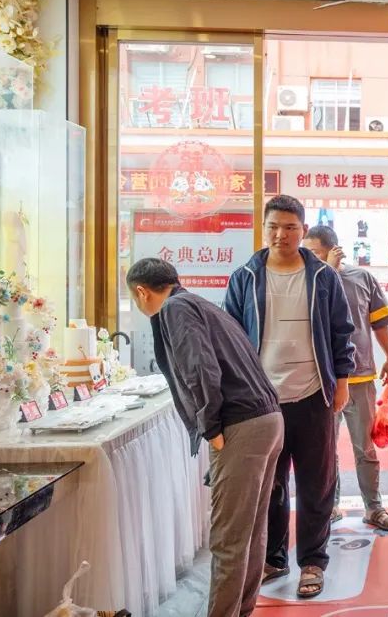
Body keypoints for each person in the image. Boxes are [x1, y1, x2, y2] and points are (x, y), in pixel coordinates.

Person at [127, 258, 282, 617]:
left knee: (229, 538)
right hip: (267, 418)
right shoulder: (200, 304)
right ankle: (240, 610)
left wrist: (210, 427)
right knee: (250, 531)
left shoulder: (175, 309)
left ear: (142, 292)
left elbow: (199, 367)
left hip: (241, 423)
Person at [223, 195, 355, 600]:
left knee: (316, 483)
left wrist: (342, 381)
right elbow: (230, 336)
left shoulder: (323, 277)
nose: (281, 234)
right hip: (262, 402)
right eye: (274, 227)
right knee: (271, 483)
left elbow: (342, 331)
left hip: (314, 394)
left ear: (303, 229)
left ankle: (312, 561)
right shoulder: (245, 277)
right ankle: (274, 557)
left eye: (290, 227)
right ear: (264, 229)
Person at [302, 224, 388, 532]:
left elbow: (379, 321)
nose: (308, 258)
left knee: (365, 448)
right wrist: (326, 271)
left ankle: (374, 507)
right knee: (324, 449)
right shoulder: (306, 280)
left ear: (335, 250)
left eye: (314, 252)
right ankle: (329, 506)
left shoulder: (361, 278)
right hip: (321, 380)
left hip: (360, 377)